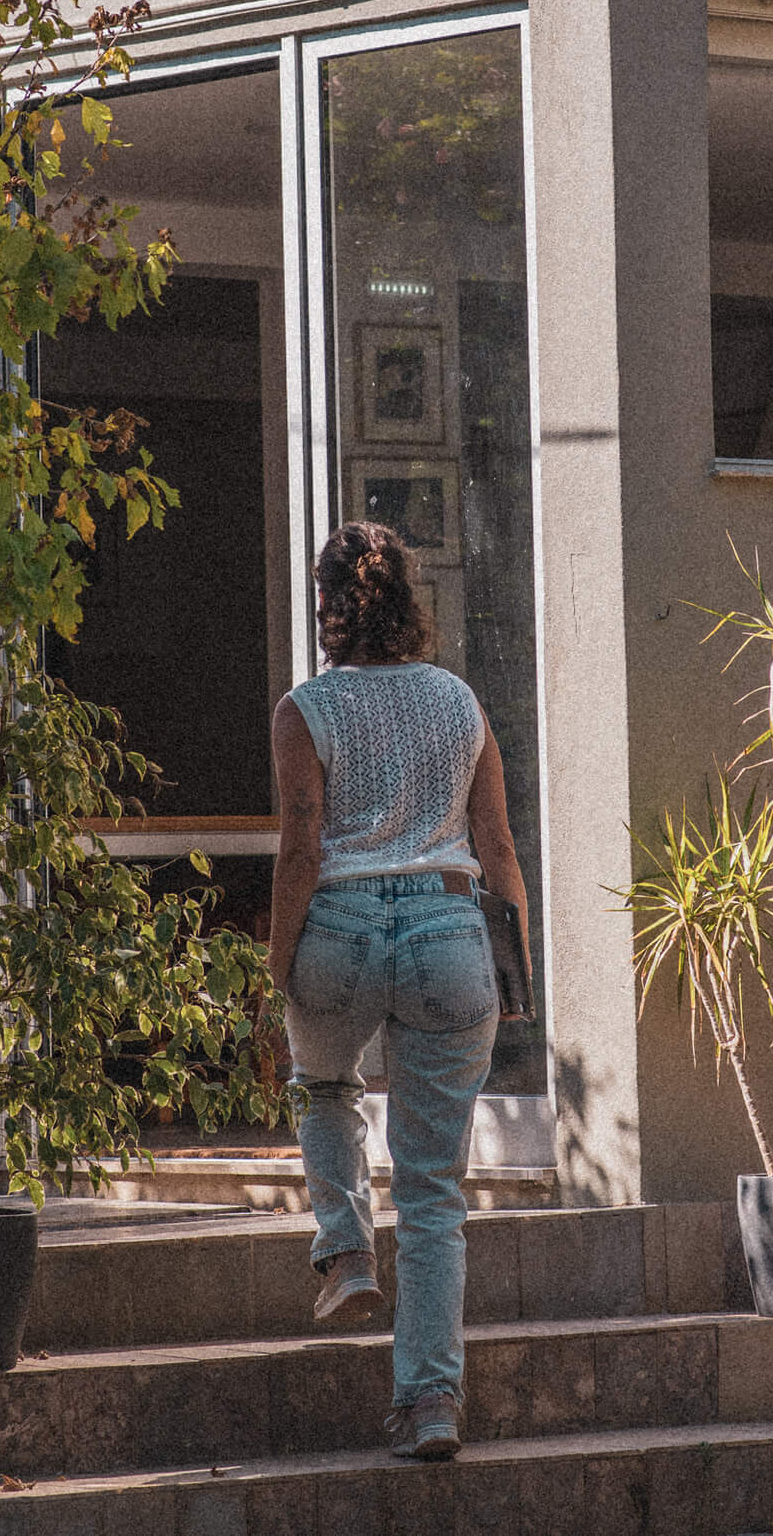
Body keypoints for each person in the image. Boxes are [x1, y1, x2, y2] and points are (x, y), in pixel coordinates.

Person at [268, 519, 532, 1462]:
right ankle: (430, 1405)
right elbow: (498, 846)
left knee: (325, 1087)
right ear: (411, 603)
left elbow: (301, 847)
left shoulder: (305, 709)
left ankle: (343, 1251)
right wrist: (516, 969)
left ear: (330, 608)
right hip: (448, 933)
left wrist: (278, 966)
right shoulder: (459, 705)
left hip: (338, 925)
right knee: (434, 1192)